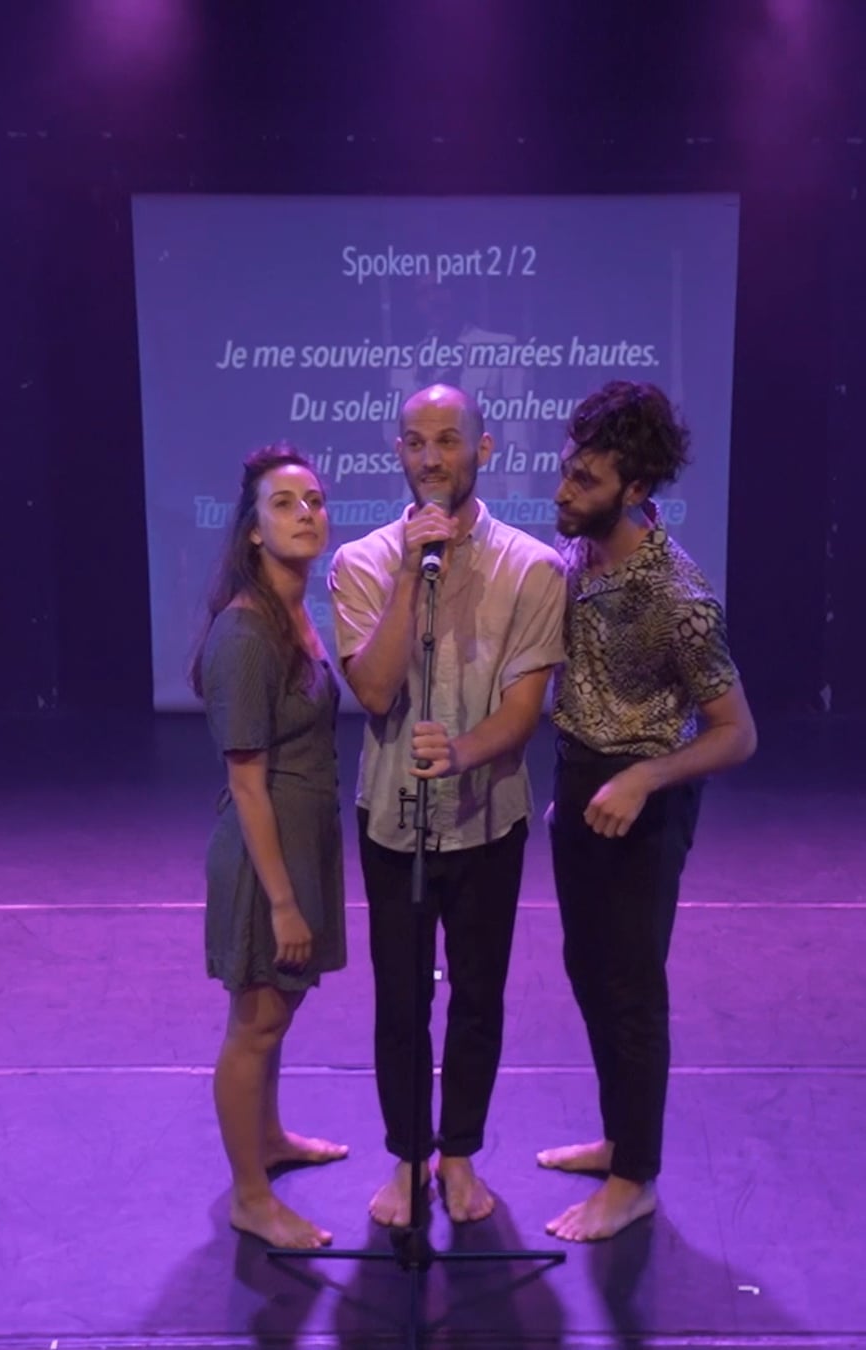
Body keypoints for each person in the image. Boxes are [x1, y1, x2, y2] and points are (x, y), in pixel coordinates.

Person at [328, 385, 566, 1227]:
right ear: (398, 451)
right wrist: (408, 571)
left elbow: (526, 707)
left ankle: (458, 1153)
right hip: (394, 821)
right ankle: (407, 1157)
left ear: (483, 449)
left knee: (477, 995)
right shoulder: (361, 562)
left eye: (448, 441)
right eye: (415, 442)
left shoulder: (534, 568)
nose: (431, 459)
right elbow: (373, 690)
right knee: (400, 1000)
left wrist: (462, 752)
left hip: (489, 817)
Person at [537, 381, 758, 1243]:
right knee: (587, 969)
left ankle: (636, 1180)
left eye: (585, 480)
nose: (564, 490)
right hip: (579, 784)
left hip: (645, 801)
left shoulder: (679, 598)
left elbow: (737, 734)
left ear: (633, 489)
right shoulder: (579, 555)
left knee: (631, 985)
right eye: (568, 469)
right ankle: (618, 1139)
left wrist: (644, 778)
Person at [194, 444, 352, 1250]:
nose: (305, 514)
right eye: (284, 503)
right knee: (255, 1023)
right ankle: (250, 1198)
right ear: (253, 530)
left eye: (314, 500)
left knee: (274, 1014)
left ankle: (270, 1138)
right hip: (266, 859)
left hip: (302, 837)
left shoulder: (295, 613)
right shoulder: (248, 633)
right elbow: (247, 783)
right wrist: (285, 902)